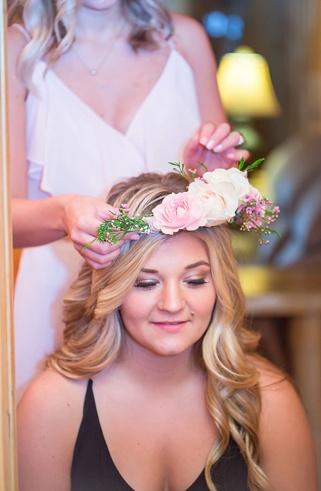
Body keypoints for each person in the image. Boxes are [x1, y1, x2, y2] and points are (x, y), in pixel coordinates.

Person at [16, 171, 317, 490]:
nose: (172, 303)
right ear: (113, 290)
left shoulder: (270, 399)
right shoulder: (50, 407)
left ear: (220, 286)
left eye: (195, 280)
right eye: (146, 283)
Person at [7, 0, 249, 395]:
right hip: (60, 301)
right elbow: (6, 220)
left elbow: (217, 212)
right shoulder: (17, 50)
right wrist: (64, 212)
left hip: (172, 306)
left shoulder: (185, 42)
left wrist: (205, 176)